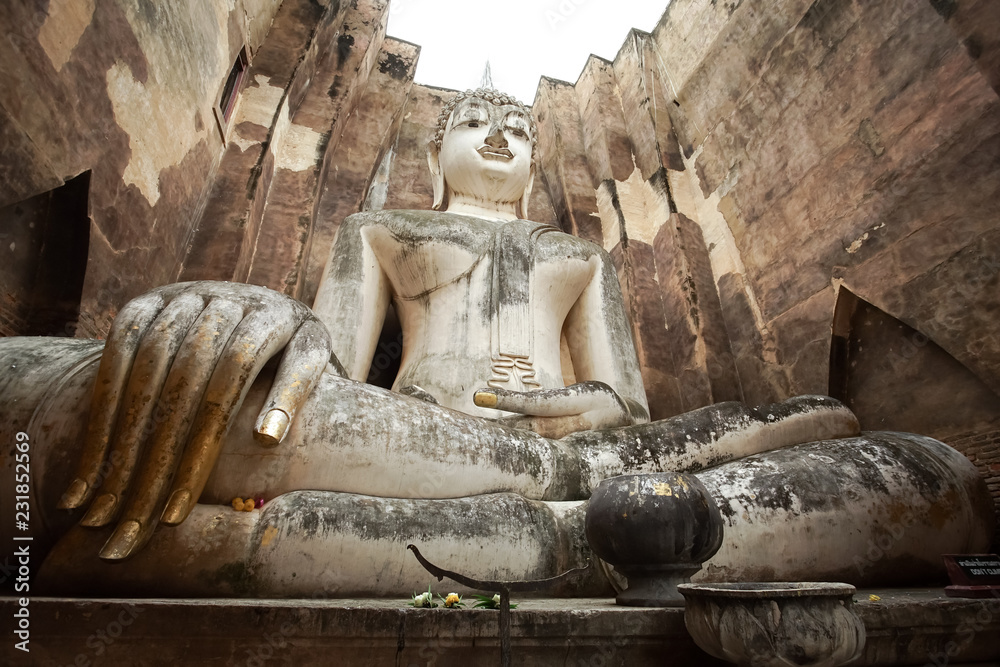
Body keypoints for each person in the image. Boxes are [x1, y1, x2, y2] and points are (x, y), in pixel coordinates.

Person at [3, 89, 990, 596]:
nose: (500, 134)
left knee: (899, 458)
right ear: (435, 153)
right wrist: (273, 328)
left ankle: (562, 519)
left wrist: (553, 408)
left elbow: (625, 404)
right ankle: (579, 540)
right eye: (474, 122)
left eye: (518, 127)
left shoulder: (573, 251)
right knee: (219, 396)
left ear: (536, 160)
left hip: (592, 453)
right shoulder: (385, 228)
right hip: (410, 442)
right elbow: (331, 367)